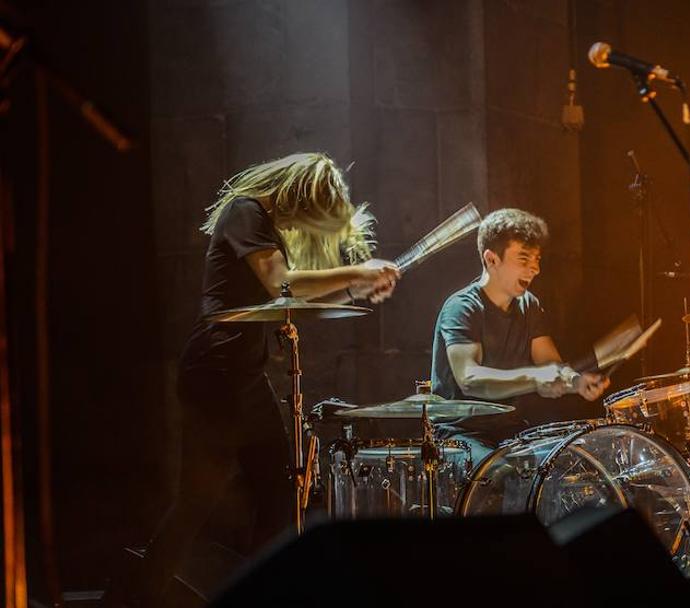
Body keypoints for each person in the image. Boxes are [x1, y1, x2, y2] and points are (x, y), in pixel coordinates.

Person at [116, 152, 399, 606]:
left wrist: (355, 287)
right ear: (299, 194)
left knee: (278, 495)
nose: (304, 224)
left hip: (242, 374)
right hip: (216, 369)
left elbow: (291, 296)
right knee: (199, 499)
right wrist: (356, 273)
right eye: (309, 213)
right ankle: (134, 598)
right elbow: (282, 283)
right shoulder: (245, 211)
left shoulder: (264, 225)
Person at [429, 208, 609, 454]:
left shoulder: (528, 305)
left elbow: (551, 365)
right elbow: (470, 381)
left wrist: (575, 382)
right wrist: (535, 379)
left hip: (508, 430)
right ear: (492, 260)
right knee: (499, 471)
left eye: (537, 259)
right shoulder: (461, 308)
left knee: (566, 460)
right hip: (459, 434)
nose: (535, 269)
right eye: (524, 259)